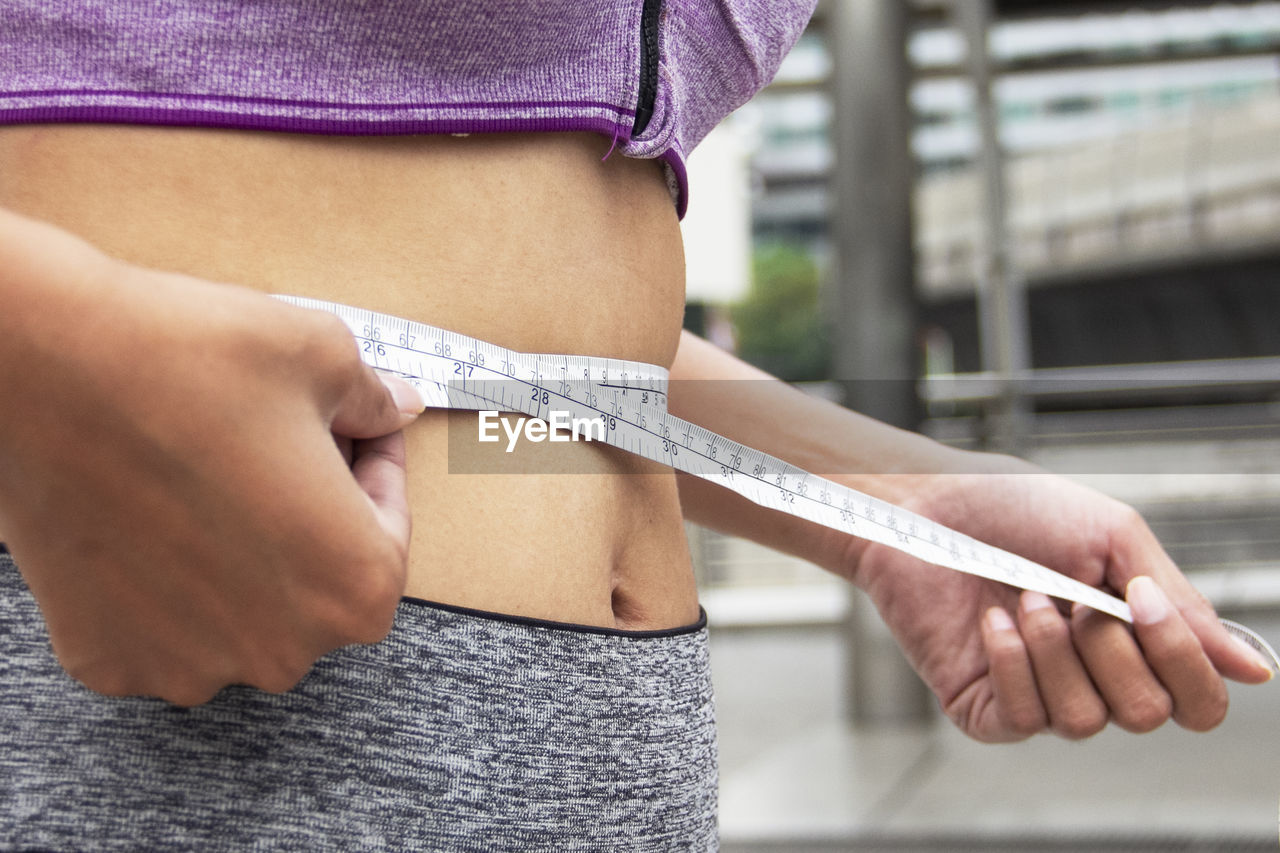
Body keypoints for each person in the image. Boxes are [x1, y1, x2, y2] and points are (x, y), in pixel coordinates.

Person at [0, 1, 1272, 849]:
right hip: (180, 662)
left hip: (621, 749)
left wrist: (895, 500)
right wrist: (51, 347)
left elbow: (521, 391)